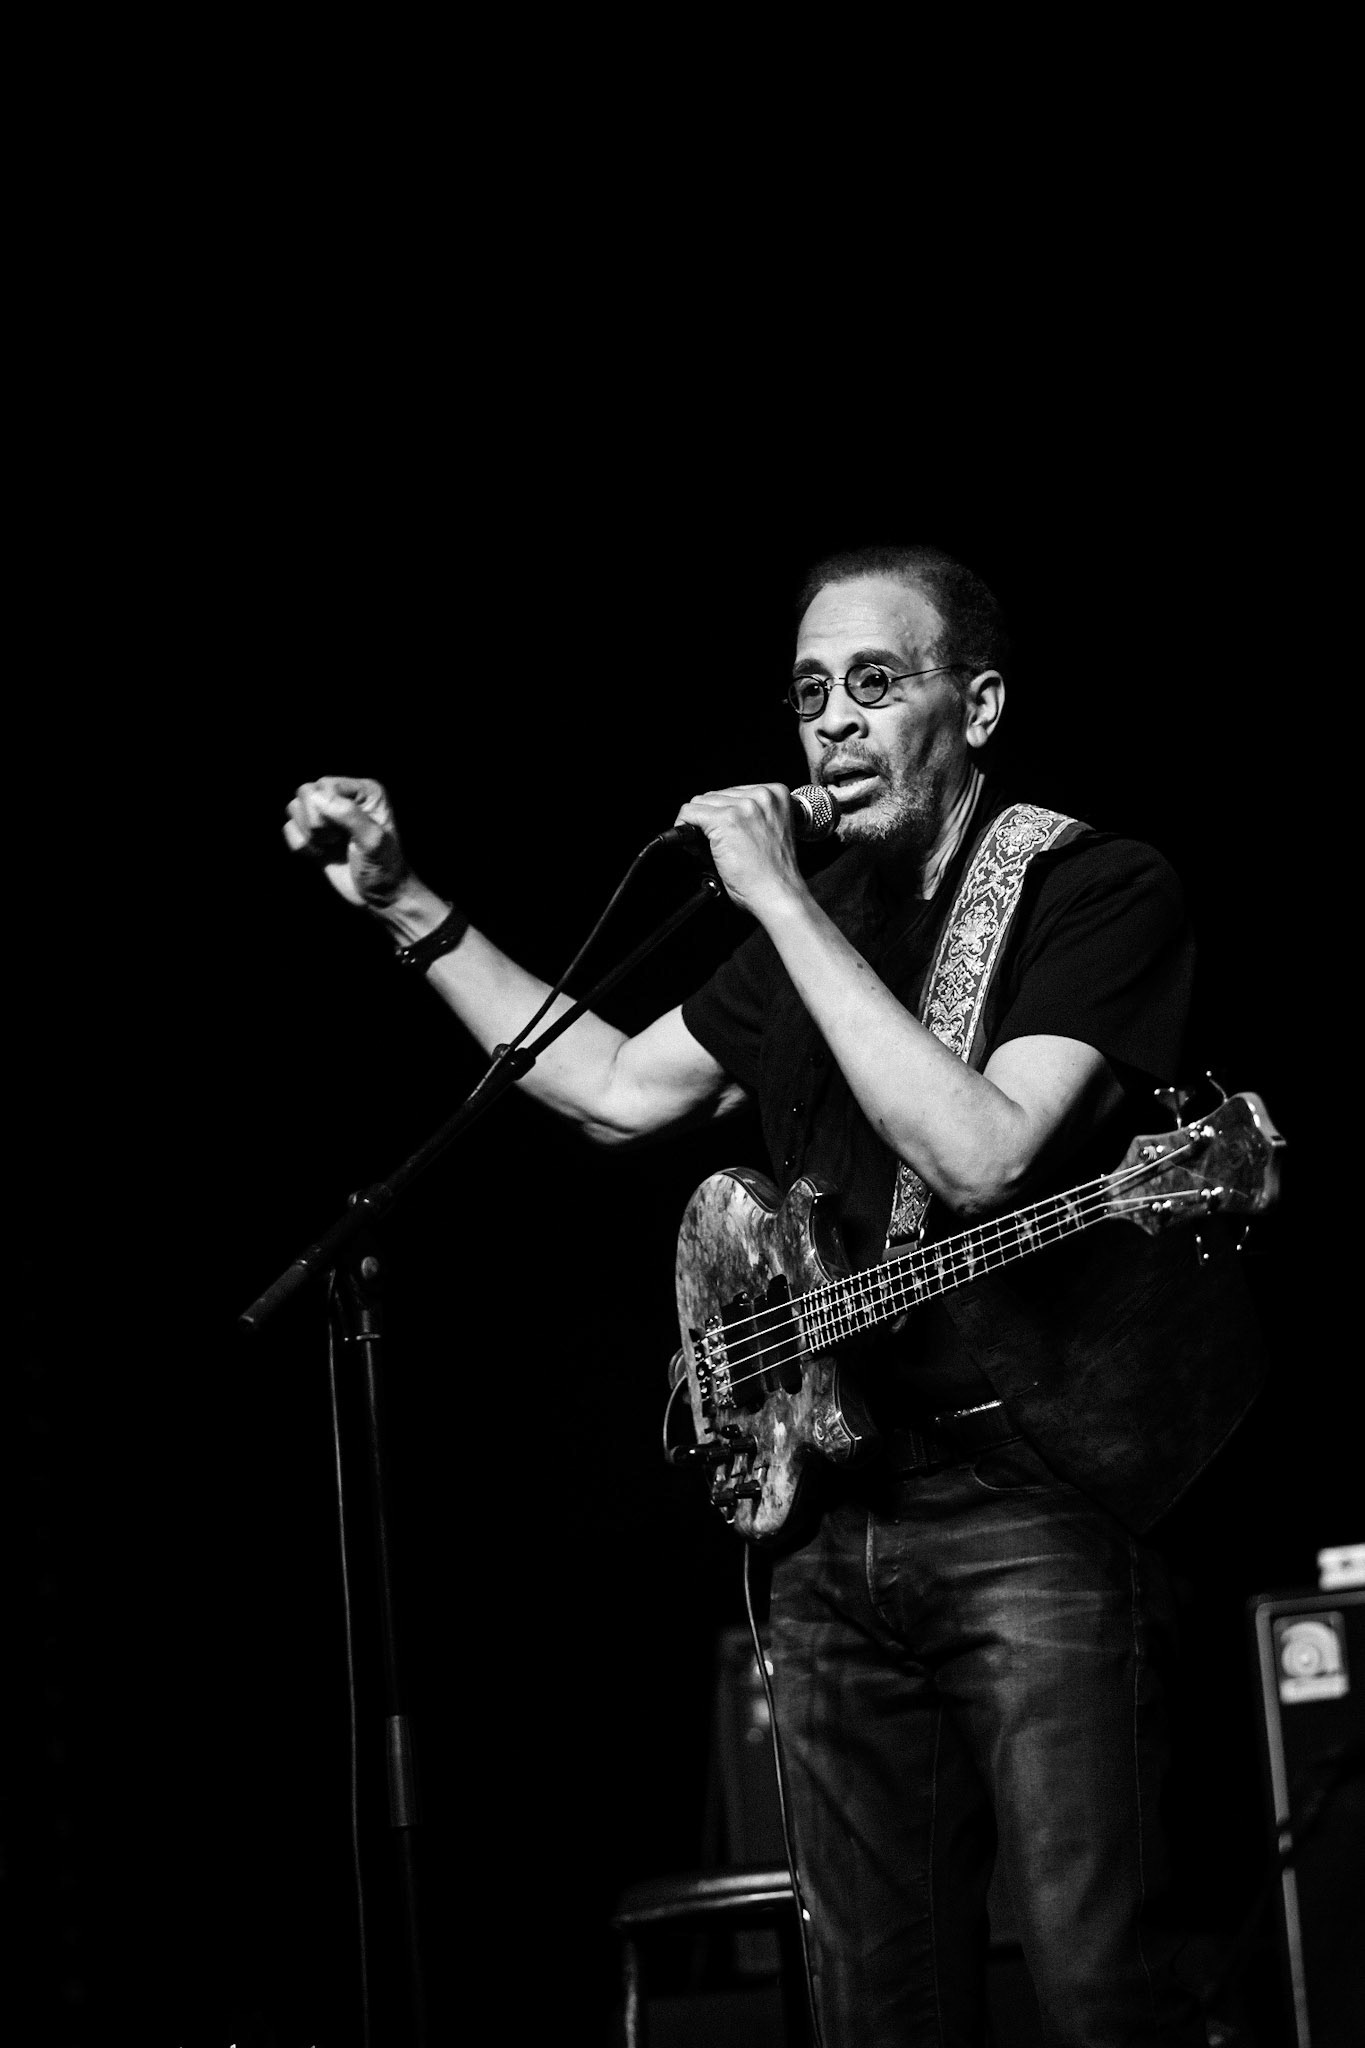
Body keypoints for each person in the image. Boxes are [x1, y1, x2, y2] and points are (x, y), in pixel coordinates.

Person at [284, 545, 1260, 2046]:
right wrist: (409, 905)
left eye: (879, 683)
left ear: (978, 704)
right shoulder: (818, 922)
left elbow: (984, 1150)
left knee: (1095, 1987)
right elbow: (611, 1090)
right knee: (874, 2003)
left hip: (1038, 1506)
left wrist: (779, 901)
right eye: (811, 694)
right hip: (826, 1527)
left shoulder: (1096, 888)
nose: (835, 725)